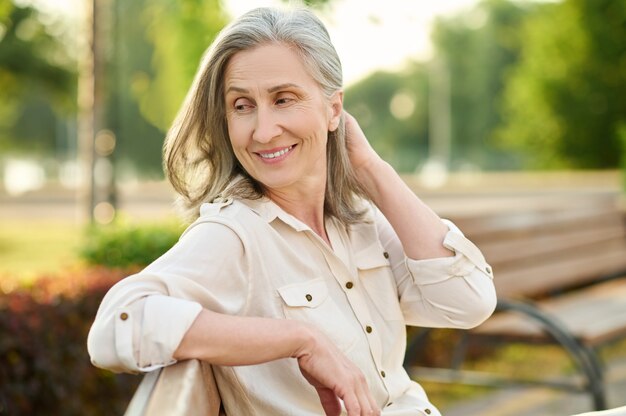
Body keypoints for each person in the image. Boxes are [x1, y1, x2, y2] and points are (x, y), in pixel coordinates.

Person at [87, 7, 496, 416]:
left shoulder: (357, 218)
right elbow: (118, 325)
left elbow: (468, 301)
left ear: (334, 110)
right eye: (242, 105)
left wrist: (371, 168)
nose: (263, 131)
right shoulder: (234, 233)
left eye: (284, 99)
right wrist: (300, 339)